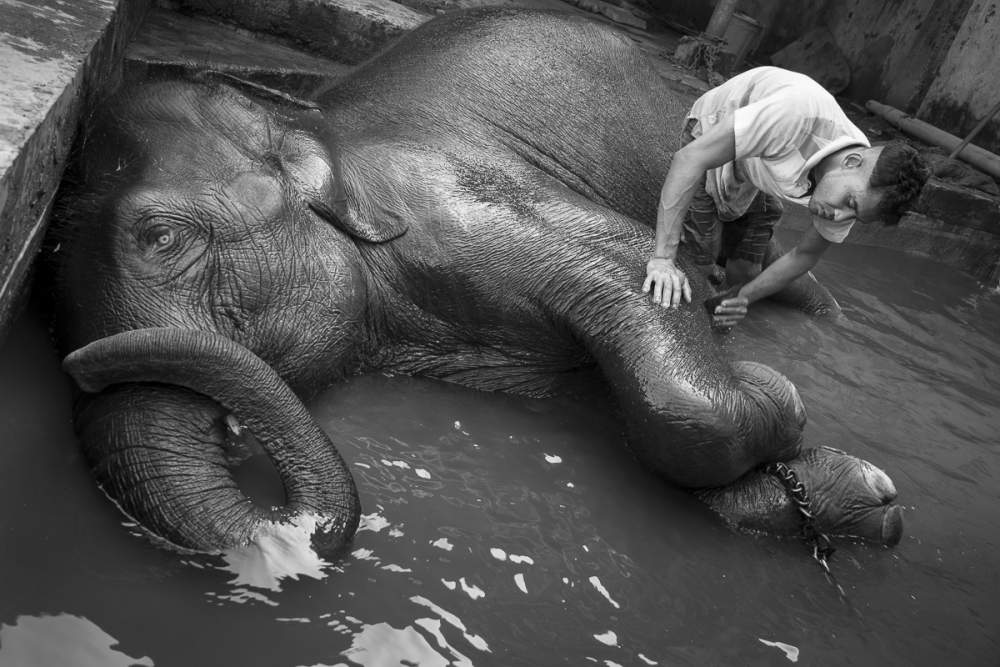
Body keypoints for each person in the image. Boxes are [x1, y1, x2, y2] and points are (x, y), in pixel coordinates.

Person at [641, 66, 930, 326]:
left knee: (747, 268)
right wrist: (662, 259)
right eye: (849, 205)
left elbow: (804, 255)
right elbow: (689, 159)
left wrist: (743, 298)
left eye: (856, 216)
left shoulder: (858, 189)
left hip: (764, 164)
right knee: (699, 264)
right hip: (715, 131)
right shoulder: (794, 115)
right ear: (851, 161)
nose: (841, 217)